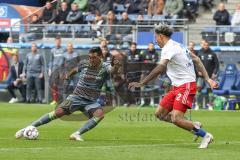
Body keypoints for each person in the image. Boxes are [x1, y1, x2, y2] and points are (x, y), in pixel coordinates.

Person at [128, 24, 218, 149]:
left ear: (161, 36)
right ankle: (193, 126)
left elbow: (160, 67)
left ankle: (206, 135)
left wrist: (142, 82)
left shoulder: (168, 48)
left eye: (156, 37)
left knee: (176, 119)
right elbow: (196, 59)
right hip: (176, 86)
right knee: (160, 114)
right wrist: (208, 79)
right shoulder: (178, 45)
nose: (155, 40)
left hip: (186, 85)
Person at [15, 47, 120, 141]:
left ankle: (76, 134)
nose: (91, 60)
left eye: (93, 58)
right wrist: (68, 76)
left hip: (91, 101)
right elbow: (75, 69)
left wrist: (115, 66)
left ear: (100, 57)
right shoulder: (85, 63)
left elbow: (112, 71)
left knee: (99, 115)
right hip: (77, 97)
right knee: (57, 113)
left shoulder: (105, 66)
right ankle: (27, 128)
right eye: (89, 57)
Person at [197, 39, 219, 110]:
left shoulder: (212, 53)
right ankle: (198, 105)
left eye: (207, 45)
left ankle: (210, 105)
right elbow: (195, 63)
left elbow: (217, 65)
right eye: (204, 45)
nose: (206, 46)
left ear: (208, 45)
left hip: (209, 76)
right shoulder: (199, 52)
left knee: (209, 89)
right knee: (198, 88)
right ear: (202, 45)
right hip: (201, 76)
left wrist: (214, 73)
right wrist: (198, 70)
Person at [49, 37, 66, 105]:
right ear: (55, 42)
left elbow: (66, 60)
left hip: (61, 69)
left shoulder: (64, 49)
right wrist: (50, 69)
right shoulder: (52, 50)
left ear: (60, 42)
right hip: (54, 69)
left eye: (59, 41)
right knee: (54, 85)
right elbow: (51, 60)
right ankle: (55, 100)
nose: (58, 42)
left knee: (62, 85)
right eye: (56, 41)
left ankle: (62, 100)